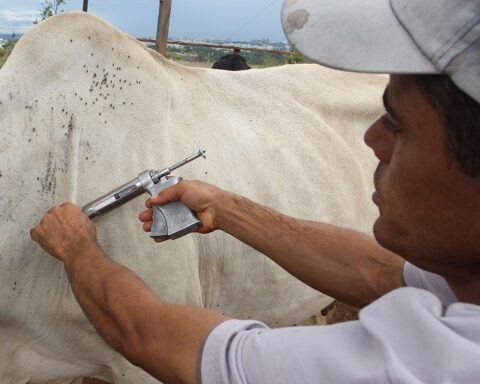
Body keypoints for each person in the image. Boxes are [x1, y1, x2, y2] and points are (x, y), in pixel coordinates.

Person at [30, 0, 480, 383]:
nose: (370, 141)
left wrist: (77, 248)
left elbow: (145, 336)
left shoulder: (428, 364)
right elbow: (381, 275)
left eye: (398, 126)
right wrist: (225, 208)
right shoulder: (464, 287)